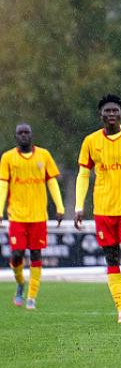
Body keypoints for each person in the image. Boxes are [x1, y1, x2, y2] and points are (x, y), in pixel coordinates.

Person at [74, 94, 121, 324]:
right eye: (107, 111)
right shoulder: (91, 141)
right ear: (100, 115)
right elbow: (84, 175)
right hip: (103, 209)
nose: (111, 115)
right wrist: (79, 206)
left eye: (115, 111)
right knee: (111, 258)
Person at [0, 124, 64, 309]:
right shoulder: (8, 158)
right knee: (17, 254)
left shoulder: (44, 155)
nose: (24, 136)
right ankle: (20, 283)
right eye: (20, 133)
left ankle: (31, 297)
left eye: (27, 132)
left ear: (32, 135)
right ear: (16, 136)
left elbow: (52, 183)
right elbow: (3, 185)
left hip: (38, 216)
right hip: (17, 216)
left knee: (36, 253)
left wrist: (60, 206)